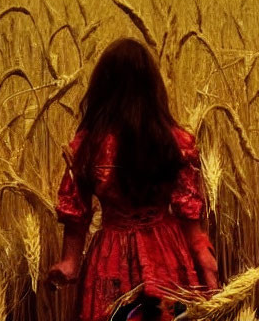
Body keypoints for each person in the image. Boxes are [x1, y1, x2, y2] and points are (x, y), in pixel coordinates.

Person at [48, 37, 219, 321]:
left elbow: (76, 214)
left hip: (110, 259)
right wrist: (203, 255)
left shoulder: (88, 146)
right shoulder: (177, 142)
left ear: (102, 89)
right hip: (168, 255)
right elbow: (189, 212)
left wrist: (70, 263)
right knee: (167, 315)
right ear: (153, 89)